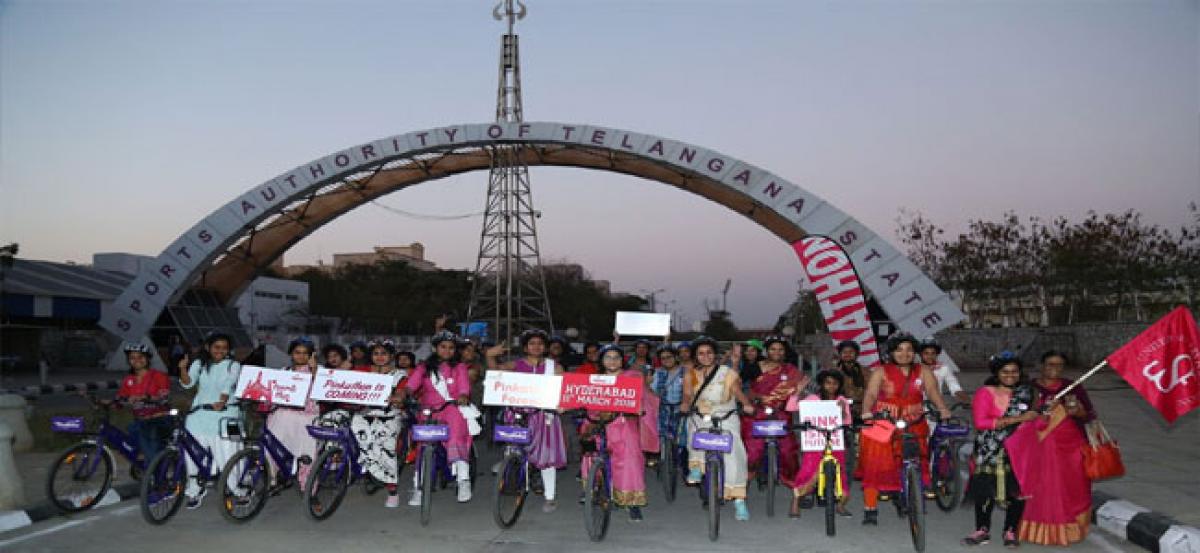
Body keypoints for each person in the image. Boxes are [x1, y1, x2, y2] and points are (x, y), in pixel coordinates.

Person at [858, 332, 952, 525]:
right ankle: (870, 507)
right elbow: (871, 393)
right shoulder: (881, 371)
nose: (905, 353)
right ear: (892, 352)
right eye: (899, 349)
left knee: (917, 459)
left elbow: (933, 392)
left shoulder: (923, 371)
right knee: (876, 463)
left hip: (914, 422)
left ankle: (911, 494)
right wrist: (867, 411)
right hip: (884, 423)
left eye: (909, 349)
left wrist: (942, 409)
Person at [1005, 350, 1096, 546]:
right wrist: (1040, 410)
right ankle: (1032, 529)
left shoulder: (1072, 387)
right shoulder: (1029, 388)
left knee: (1071, 486)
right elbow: (1016, 412)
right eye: (1050, 365)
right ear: (1041, 366)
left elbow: (1088, 415)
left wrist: (1076, 411)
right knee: (1039, 485)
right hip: (1037, 445)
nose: (1054, 369)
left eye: (1059, 366)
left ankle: (1070, 530)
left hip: (1070, 447)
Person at [486, 329, 568, 512]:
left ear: (545, 347)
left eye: (540, 343)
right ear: (525, 347)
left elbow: (563, 387)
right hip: (518, 414)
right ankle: (511, 480)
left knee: (547, 457)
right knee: (513, 450)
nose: (536, 346)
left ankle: (550, 497)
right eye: (532, 343)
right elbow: (495, 374)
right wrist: (490, 356)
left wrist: (562, 403)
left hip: (543, 415)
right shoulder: (515, 364)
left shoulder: (553, 367)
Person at [963, 352, 1038, 548]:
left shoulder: (1027, 393)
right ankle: (982, 529)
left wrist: (1041, 414)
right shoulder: (985, 392)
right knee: (984, 491)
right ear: (997, 373)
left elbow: (1037, 419)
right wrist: (1019, 419)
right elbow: (981, 422)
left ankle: (1010, 530)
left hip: (1020, 450)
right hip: (991, 449)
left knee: (1017, 491)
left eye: (1015, 372)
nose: (1010, 375)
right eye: (1005, 372)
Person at [681, 336, 755, 521]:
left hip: (726, 416)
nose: (705, 356)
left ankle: (739, 500)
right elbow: (687, 396)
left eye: (709, 353)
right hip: (702, 415)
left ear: (715, 355)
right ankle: (696, 466)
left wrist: (747, 405)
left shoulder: (727, 372)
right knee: (694, 430)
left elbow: (738, 393)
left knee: (735, 454)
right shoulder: (690, 374)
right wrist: (684, 405)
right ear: (695, 356)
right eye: (701, 353)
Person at [402, 331, 477, 504]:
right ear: (435, 348)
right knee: (422, 447)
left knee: (457, 438)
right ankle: (418, 488)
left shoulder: (459, 367)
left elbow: (464, 387)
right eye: (443, 347)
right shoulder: (423, 367)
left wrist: (464, 396)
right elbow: (411, 385)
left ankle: (463, 480)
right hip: (428, 410)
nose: (447, 351)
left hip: (452, 408)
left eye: (451, 348)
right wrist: (403, 393)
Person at [580, 343, 647, 521]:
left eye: (616, 357)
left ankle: (631, 502)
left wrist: (637, 408)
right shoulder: (595, 379)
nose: (612, 361)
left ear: (621, 360)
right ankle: (594, 491)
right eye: (608, 357)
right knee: (591, 457)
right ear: (602, 360)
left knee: (630, 462)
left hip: (623, 424)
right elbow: (579, 396)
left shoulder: (632, 376)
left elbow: (639, 398)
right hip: (597, 423)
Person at [177, 332, 242, 509]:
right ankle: (195, 489)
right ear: (208, 347)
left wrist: (222, 401)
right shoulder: (199, 364)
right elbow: (188, 383)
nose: (220, 351)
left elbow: (228, 383)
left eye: (224, 348)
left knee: (229, 454)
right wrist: (183, 368)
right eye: (216, 347)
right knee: (193, 455)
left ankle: (236, 488)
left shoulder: (233, 365)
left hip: (226, 414)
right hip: (199, 414)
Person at [742, 336, 805, 505]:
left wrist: (798, 391)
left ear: (785, 352)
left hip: (781, 414)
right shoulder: (755, 367)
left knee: (788, 452)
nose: (776, 352)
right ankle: (741, 491)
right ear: (766, 351)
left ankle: (797, 492)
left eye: (780, 349)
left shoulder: (790, 370)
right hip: (757, 413)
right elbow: (742, 387)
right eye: (773, 349)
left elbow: (799, 390)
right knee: (752, 453)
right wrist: (755, 398)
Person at [351, 340, 408, 507]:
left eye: (383, 353)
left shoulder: (399, 374)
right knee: (355, 432)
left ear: (391, 356)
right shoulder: (363, 371)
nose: (380, 357)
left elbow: (402, 392)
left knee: (386, 448)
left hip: (390, 414)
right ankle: (366, 464)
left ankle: (392, 490)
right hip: (364, 413)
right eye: (376, 353)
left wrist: (398, 398)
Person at [791, 370, 853, 518]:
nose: (831, 386)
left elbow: (847, 422)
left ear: (839, 385)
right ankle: (795, 501)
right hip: (815, 442)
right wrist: (798, 392)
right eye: (828, 383)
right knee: (809, 471)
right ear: (822, 384)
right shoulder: (813, 399)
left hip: (835, 441)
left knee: (841, 472)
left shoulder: (841, 400)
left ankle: (840, 505)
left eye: (835, 383)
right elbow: (792, 407)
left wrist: (842, 411)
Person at [264, 337, 321, 490]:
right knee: (271, 449)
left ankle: (309, 490)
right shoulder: (284, 371)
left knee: (307, 456)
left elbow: (322, 389)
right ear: (291, 354)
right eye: (297, 352)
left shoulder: (317, 372)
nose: (301, 356)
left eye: (305, 353)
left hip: (306, 418)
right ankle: (272, 479)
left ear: (311, 355)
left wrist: (314, 369)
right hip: (282, 416)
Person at [114, 342, 172, 465]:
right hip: (140, 421)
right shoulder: (129, 380)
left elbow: (163, 398)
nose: (136, 360)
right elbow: (120, 398)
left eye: (140, 357)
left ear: (148, 359)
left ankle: (155, 478)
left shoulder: (158, 376)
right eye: (132, 358)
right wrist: (103, 402)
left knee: (151, 457)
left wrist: (145, 397)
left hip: (158, 421)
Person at [919, 337, 969, 405]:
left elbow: (954, 386)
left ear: (937, 354)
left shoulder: (944, 369)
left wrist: (967, 399)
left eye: (933, 353)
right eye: (926, 353)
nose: (930, 356)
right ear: (921, 354)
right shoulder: (914, 369)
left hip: (936, 406)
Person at [651, 344, 685, 443]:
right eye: (663, 358)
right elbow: (655, 393)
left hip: (682, 413)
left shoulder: (687, 372)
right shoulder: (658, 372)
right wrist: (648, 383)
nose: (666, 360)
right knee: (664, 441)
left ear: (676, 357)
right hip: (664, 413)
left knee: (681, 441)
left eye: (669, 357)